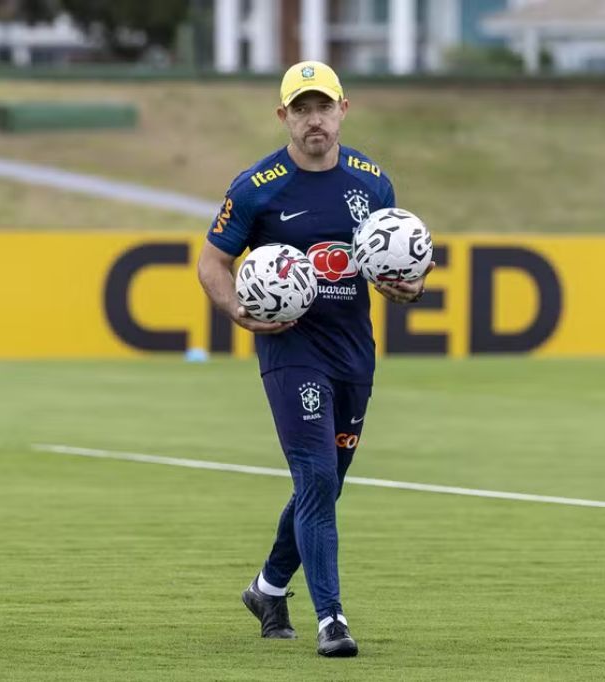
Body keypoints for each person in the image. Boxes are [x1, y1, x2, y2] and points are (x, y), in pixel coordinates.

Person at [197, 60, 430, 658]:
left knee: (327, 487)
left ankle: (267, 588)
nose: (314, 120)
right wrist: (238, 313)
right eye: (301, 110)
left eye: (323, 107)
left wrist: (410, 285)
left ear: (343, 111)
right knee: (317, 478)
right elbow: (211, 262)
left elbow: (393, 262)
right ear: (284, 118)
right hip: (290, 348)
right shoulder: (256, 187)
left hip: (353, 352)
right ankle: (332, 620)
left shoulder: (373, 183)